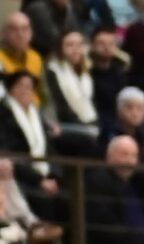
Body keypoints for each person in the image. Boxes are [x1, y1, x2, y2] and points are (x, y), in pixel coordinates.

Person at [0, 67, 59, 217]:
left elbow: (49, 149)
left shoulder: (37, 115)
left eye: (29, 87)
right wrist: (39, 180)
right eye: (21, 86)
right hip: (22, 175)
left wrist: (53, 176)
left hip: (45, 173)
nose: (25, 91)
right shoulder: (4, 114)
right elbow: (10, 153)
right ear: (11, 89)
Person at [44, 28, 101, 159]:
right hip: (62, 124)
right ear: (60, 48)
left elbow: (90, 102)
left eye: (79, 45)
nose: (76, 50)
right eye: (70, 45)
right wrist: (84, 126)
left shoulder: (85, 72)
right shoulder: (53, 70)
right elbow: (60, 106)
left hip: (88, 123)